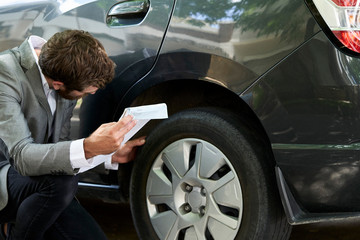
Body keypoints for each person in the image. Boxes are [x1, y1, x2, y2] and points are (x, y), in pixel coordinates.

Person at [0, 30, 145, 239]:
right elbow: (22, 157)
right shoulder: (5, 72)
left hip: (43, 187)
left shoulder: (63, 70)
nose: (92, 94)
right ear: (59, 84)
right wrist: (88, 147)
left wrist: (106, 154)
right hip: (7, 173)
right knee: (62, 182)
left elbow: (59, 148)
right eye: (85, 93)